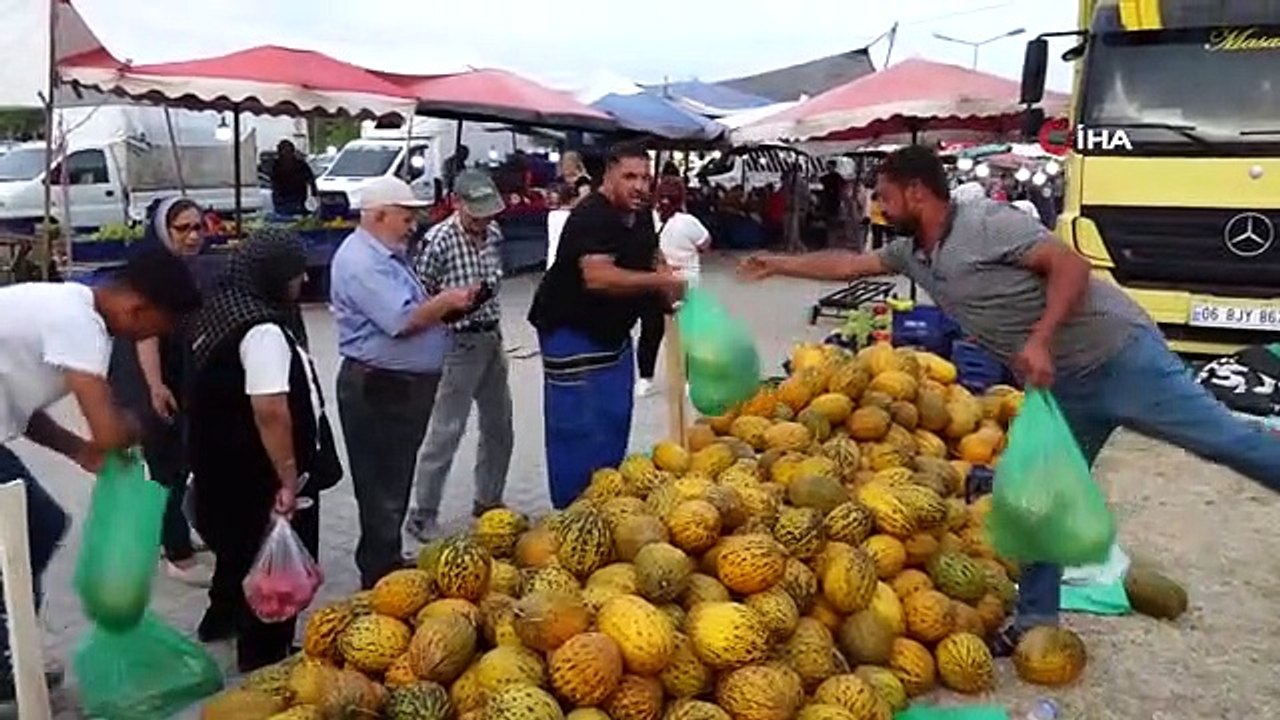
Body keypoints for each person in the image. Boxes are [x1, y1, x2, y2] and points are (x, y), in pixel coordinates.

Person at [740, 144, 1280, 652]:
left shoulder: (987, 224)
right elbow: (847, 266)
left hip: (1120, 358)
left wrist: (1040, 339)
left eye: (884, 195)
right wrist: (777, 263)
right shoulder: (915, 254)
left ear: (916, 192)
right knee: (1034, 498)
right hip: (1061, 388)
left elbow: (1071, 266)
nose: (879, 207)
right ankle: (1034, 626)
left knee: (1223, 440)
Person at [0, 245, 202, 705]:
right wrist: (131, 427)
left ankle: (11, 650)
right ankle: (9, 655)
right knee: (31, 529)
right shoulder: (82, 326)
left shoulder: (68, 308)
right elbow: (110, 432)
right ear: (138, 307)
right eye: (156, 328)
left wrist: (77, 452)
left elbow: (20, 409)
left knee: (37, 526)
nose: (148, 339)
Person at [185, 227, 336, 672]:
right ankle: (264, 658)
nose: (303, 282)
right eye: (295, 275)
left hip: (220, 466)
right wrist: (288, 478)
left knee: (235, 557)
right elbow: (271, 409)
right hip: (258, 475)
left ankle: (222, 622)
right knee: (269, 567)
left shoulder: (222, 307)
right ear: (271, 275)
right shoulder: (263, 330)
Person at [329, 176, 476, 588]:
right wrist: (445, 302)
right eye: (406, 217)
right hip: (380, 385)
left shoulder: (384, 255)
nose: (412, 225)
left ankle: (386, 558)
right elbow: (401, 321)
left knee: (393, 478)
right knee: (381, 486)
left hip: (397, 384)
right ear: (379, 215)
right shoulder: (362, 261)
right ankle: (379, 574)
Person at [528, 144, 686, 508]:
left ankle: (607, 498)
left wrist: (665, 278)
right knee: (579, 425)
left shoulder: (642, 212)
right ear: (608, 176)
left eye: (646, 178)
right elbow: (598, 276)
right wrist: (658, 283)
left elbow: (650, 253)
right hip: (570, 330)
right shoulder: (592, 215)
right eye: (630, 177)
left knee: (615, 416)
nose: (640, 186)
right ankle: (574, 511)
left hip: (612, 332)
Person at [107, 197, 212, 587]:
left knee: (171, 461)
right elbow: (146, 335)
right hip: (146, 379)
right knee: (167, 464)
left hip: (161, 375)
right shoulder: (154, 269)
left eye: (198, 227)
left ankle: (167, 536)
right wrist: (156, 387)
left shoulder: (174, 267)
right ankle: (177, 554)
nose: (192, 236)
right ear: (162, 229)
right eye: (182, 228)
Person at [407, 170, 512, 539]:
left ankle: (488, 500)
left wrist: (484, 293)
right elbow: (420, 295)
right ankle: (423, 512)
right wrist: (451, 306)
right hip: (457, 342)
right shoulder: (438, 241)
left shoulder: (494, 234)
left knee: (500, 426)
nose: (484, 220)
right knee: (446, 431)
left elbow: (496, 273)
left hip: (491, 336)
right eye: (476, 212)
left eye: (488, 212)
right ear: (457, 203)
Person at [636, 177, 711, 398]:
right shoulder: (689, 222)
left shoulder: (648, 219)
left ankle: (644, 379)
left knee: (650, 332)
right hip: (686, 282)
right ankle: (689, 382)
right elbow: (705, 244)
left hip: (655, 281)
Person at [270, 140, 317, 217]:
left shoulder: (301, 165)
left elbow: (311, 181)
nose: (286, 154)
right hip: (282, 200)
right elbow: (274, 182)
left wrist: (313, 195)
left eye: (288, 152)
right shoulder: (276, 166)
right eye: (283, 151)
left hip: (299, 199)